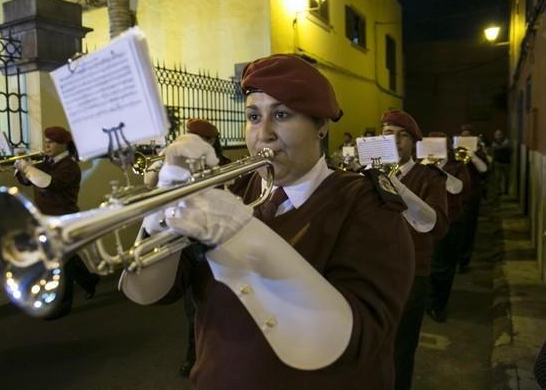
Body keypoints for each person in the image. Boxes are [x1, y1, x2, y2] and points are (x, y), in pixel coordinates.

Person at [120, 54, 415, 389]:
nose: (264, 134)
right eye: (253, 116)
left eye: (282, 114)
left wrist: (240, 232)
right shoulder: (228, 191)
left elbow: (358, 340)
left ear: (321, 126)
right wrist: (164, 213)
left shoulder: (366, 204)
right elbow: (148, 293)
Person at [380, 110, 449, 390]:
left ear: (414, 142)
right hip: (373, 270)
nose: (395, 141)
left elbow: (439, 225)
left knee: (401, 350)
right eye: (388, 134)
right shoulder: (364, 176)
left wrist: (392, 184)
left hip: (412, 272)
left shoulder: (430, 177)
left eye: (403, 135)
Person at [14, 126, 99, 319]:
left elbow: (50, 183)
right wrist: (21, 167)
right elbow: (28, 181)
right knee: (65, 256)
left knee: (62, 260)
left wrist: (28, 168)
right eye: (46, 142)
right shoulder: (47, 162)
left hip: (64, 217)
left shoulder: (69, 166)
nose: (47, 145)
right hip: (46, 217)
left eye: (51, 142)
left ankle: (63, 303)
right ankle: (90, 280)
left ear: (63, 145)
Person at [177, 117, 231, 378]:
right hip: (191, 244)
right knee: (193, 304)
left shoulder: (226, 168)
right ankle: (193, 353)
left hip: (219, 244)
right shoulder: (180, 167)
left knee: (219, 302)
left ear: (211, 142)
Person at [424, 132, 471, 323]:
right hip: (428, 223)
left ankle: (439, 305)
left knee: (445, 267)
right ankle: (429, 301)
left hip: (452, 221)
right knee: (427, 265)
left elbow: (457, 188)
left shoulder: (457, 166)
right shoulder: (422, 167)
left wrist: (437, 169)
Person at [458, 124, 489, 273]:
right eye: (463, 136)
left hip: (471, 196)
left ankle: (464, 261)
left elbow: (484, 169)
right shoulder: (454, 153)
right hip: (456, 197)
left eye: (468, 137)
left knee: (468, 229)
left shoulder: (478, 152)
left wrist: (473, 154)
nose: (465, 139)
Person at [490, 129, 511, 200]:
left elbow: (507, 147)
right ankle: (498, 191)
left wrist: (498, 147)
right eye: (497, 135)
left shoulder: (507, 141)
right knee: (498, 178)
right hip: (497, 162)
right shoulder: (494, 143)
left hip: (506, 162)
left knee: (506, 177)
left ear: (502, 135)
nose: (498, 136)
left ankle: (506, 190)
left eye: (499, 134)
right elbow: (493, 151)